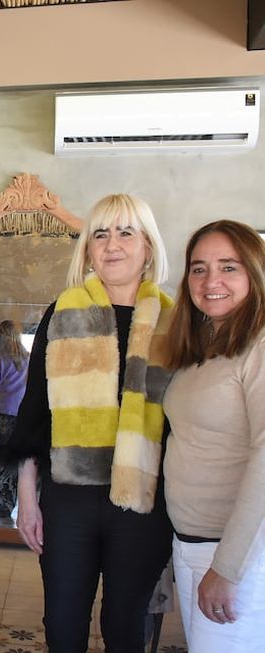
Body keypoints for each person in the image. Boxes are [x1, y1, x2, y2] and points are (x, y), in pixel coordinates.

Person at [10, 193, 174, 653]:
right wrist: (27, 498)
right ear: (87, 249)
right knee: (62, 624)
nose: (112, 244)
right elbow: (34, 412)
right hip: (69, 500)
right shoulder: (62, 313)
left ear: (148, 246)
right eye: (100, 234)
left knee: (125, 626)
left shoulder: (176, 320)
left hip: (143, 503)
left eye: (126, 232)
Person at [162, 220, 265, 652]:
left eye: (229, 267)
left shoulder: (259, 343)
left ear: (255, 273)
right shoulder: (205, 343)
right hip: (193, 543)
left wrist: (227, 568)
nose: (211, 281)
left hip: (237, 552)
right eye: (199, 269)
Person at [0, 319, 29, 519]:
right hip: (21, 416)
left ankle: (0, 505)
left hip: (1, 416)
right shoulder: (28, 358)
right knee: (13, 463)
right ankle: (10, 502)